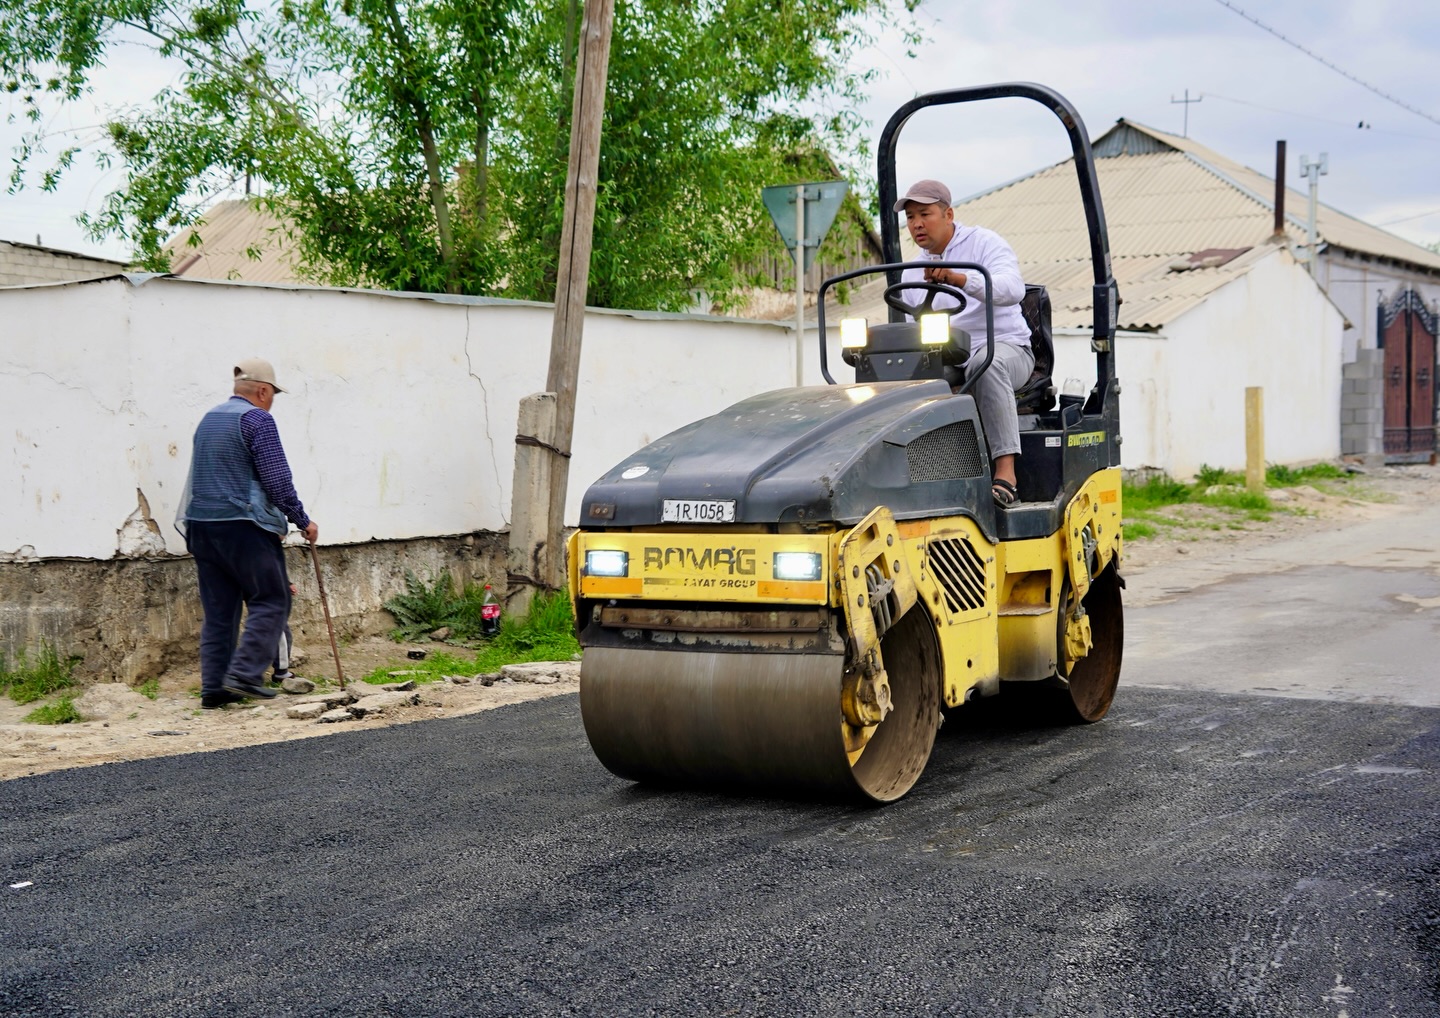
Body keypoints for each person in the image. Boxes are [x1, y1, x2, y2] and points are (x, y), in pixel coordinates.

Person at [176, 359, 318, 709]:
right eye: (273, 395)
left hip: (201, 527)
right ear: (263, 390)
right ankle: (244, 674)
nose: (272, 401)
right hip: (244, 526)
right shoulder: (257, 419)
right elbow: (277, 480)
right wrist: (302, 519)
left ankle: (214, 688)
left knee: (220, 612)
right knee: (272, 599)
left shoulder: (208, 419)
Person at [895, 179, 1034, 507]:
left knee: (986, 363)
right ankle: (917, 477)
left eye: (924, 214)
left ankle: (1006, 473)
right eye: (911, 217)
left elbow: (1012, 289)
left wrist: (960, 279)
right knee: (902, 380)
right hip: (950, 355)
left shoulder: (985, 244)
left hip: (1007, 348)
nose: (916, 224)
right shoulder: (911, 272)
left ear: (948, 214)